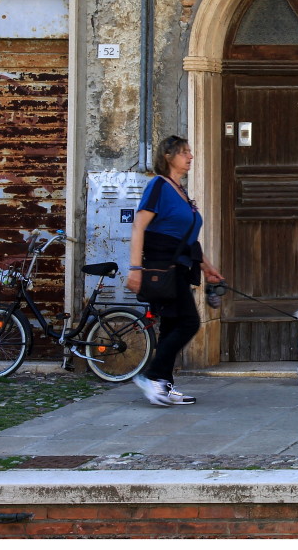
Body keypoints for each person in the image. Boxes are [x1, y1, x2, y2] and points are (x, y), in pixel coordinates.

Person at [129, 135, 225, 406]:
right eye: (184, 152)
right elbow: (139, 226)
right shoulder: (159, 185)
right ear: (168, 157)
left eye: (190, 152)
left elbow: (188, 238)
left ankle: (163, 386)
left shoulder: (181, 192)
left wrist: (208, 267)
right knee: (189, 322)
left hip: (181, 266)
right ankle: (151, 376)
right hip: (162, 267)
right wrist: (135, 268)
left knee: (171, 325)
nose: (190, 157)